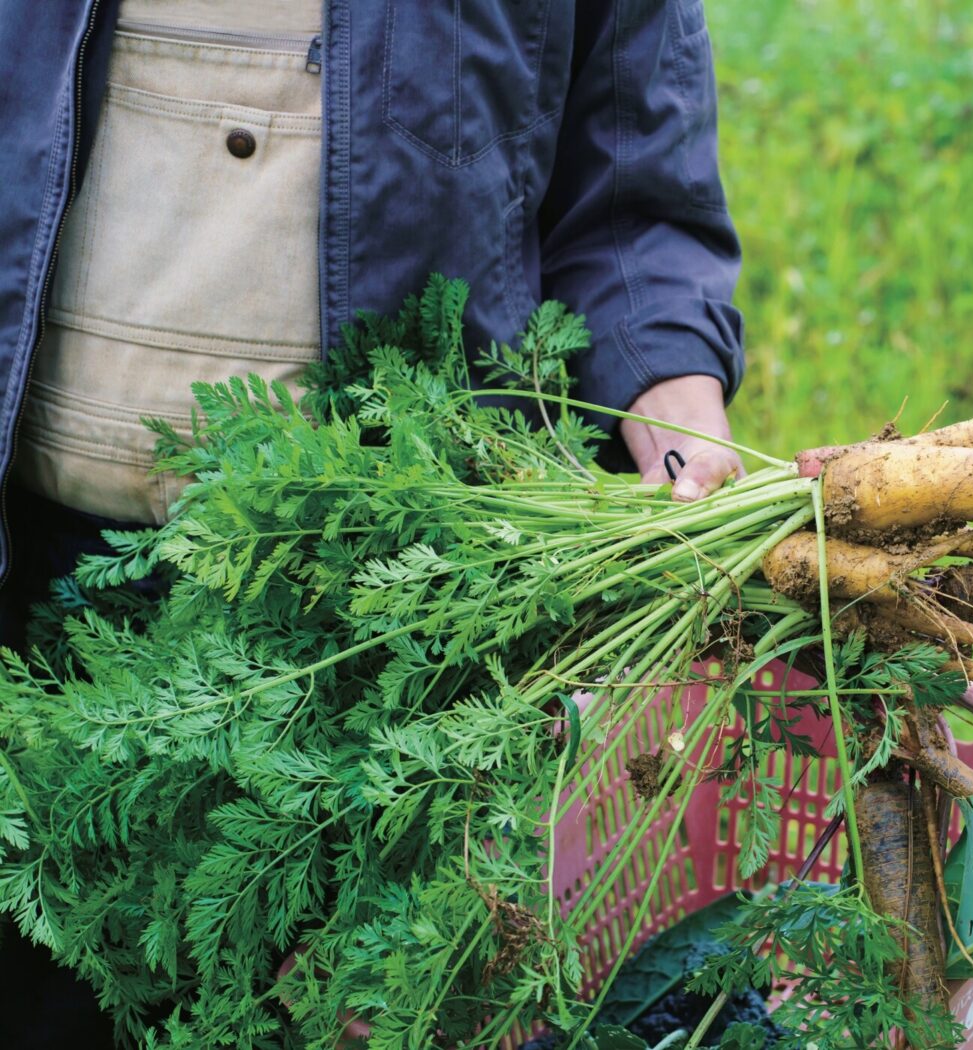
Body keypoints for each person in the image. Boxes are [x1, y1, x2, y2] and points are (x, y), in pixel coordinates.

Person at [0, 1, 744, 1043]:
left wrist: (669, 389)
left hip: (401, 616)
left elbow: (629, 190)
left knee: (369, 990)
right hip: (28, 582)